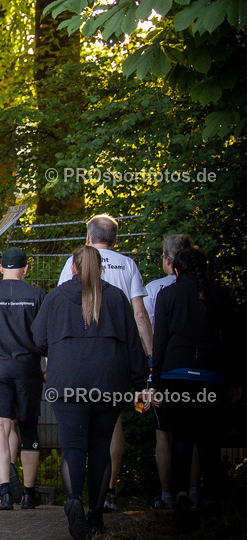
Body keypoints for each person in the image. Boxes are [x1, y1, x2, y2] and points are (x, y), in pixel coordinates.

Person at [32, 245, 149, 540]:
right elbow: (133, 344)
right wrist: (141, 382)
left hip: (67, 381)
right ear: (101, 269)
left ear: (73, 268)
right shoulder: (116, 297)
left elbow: (38, 338)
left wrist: (58, 352)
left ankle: (73, 500)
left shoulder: (56, 297)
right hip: (109, 383)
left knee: (73, 447)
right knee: (99, 448)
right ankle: (96, 516)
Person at [57, 214, 153, 511]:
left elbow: (61, 307)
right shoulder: (127, 265)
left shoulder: (74, 263)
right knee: (109, 432)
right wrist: (147, 363)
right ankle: (107, 495)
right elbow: (138, 315)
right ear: (115, 240)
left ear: (88, 238)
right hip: (112, 364)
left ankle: (75, 499)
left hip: (73, 368)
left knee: (74, 441)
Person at [151, 246, 243, 517]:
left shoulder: (167, 294)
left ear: (175, 270)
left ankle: (180, 493)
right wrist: (236, 379)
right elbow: (234, 338)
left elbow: (160, 342)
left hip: (175, 375)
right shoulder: (220, 294)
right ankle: (211, 494)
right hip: (212, 375)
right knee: (210, 438)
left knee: (180, 437)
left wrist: (155, 382)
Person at [0, 247, 45, 511]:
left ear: (0, 268)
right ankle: (27, 494)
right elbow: (43, 338)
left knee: (0, 429)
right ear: (26, 268)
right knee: (29, 430)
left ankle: (3, 493)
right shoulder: (37, 294)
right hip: (28, 368)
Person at [144, 233, 195, 510]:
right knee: (193, 433)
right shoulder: (203, 288)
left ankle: (166, 494)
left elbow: (148, 331)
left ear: (167, 260)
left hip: (161, 371)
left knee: (163, 432)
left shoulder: (154, 290)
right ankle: (194, 489)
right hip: (199, 370)